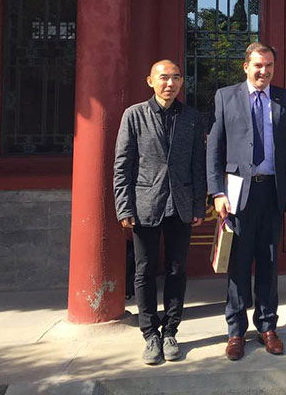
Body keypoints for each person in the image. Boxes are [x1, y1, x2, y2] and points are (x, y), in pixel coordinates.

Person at [207, 42, 286, 361]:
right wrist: (217, 192)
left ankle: (267, 327)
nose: (264, 72)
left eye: (269, 66)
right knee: (237, 264)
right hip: (237, 194)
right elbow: (215, 148)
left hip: (273, 192)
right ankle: (236, 331)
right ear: (245, 66)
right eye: (258, 66)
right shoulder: (226, 96)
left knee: (269, 262)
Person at [114, 60, 206, 365]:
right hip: (145, 204)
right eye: (164, 78)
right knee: (145, 270)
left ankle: (170, 331)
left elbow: (198, 164)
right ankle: (149, 334)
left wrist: (198, 204)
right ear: (150, 81)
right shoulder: (135, 115)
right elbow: (123, 164)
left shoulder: (191, 117)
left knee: (177, 269)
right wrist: (124, 205)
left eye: (176, 77)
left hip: (180, 205)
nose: (171, 83)